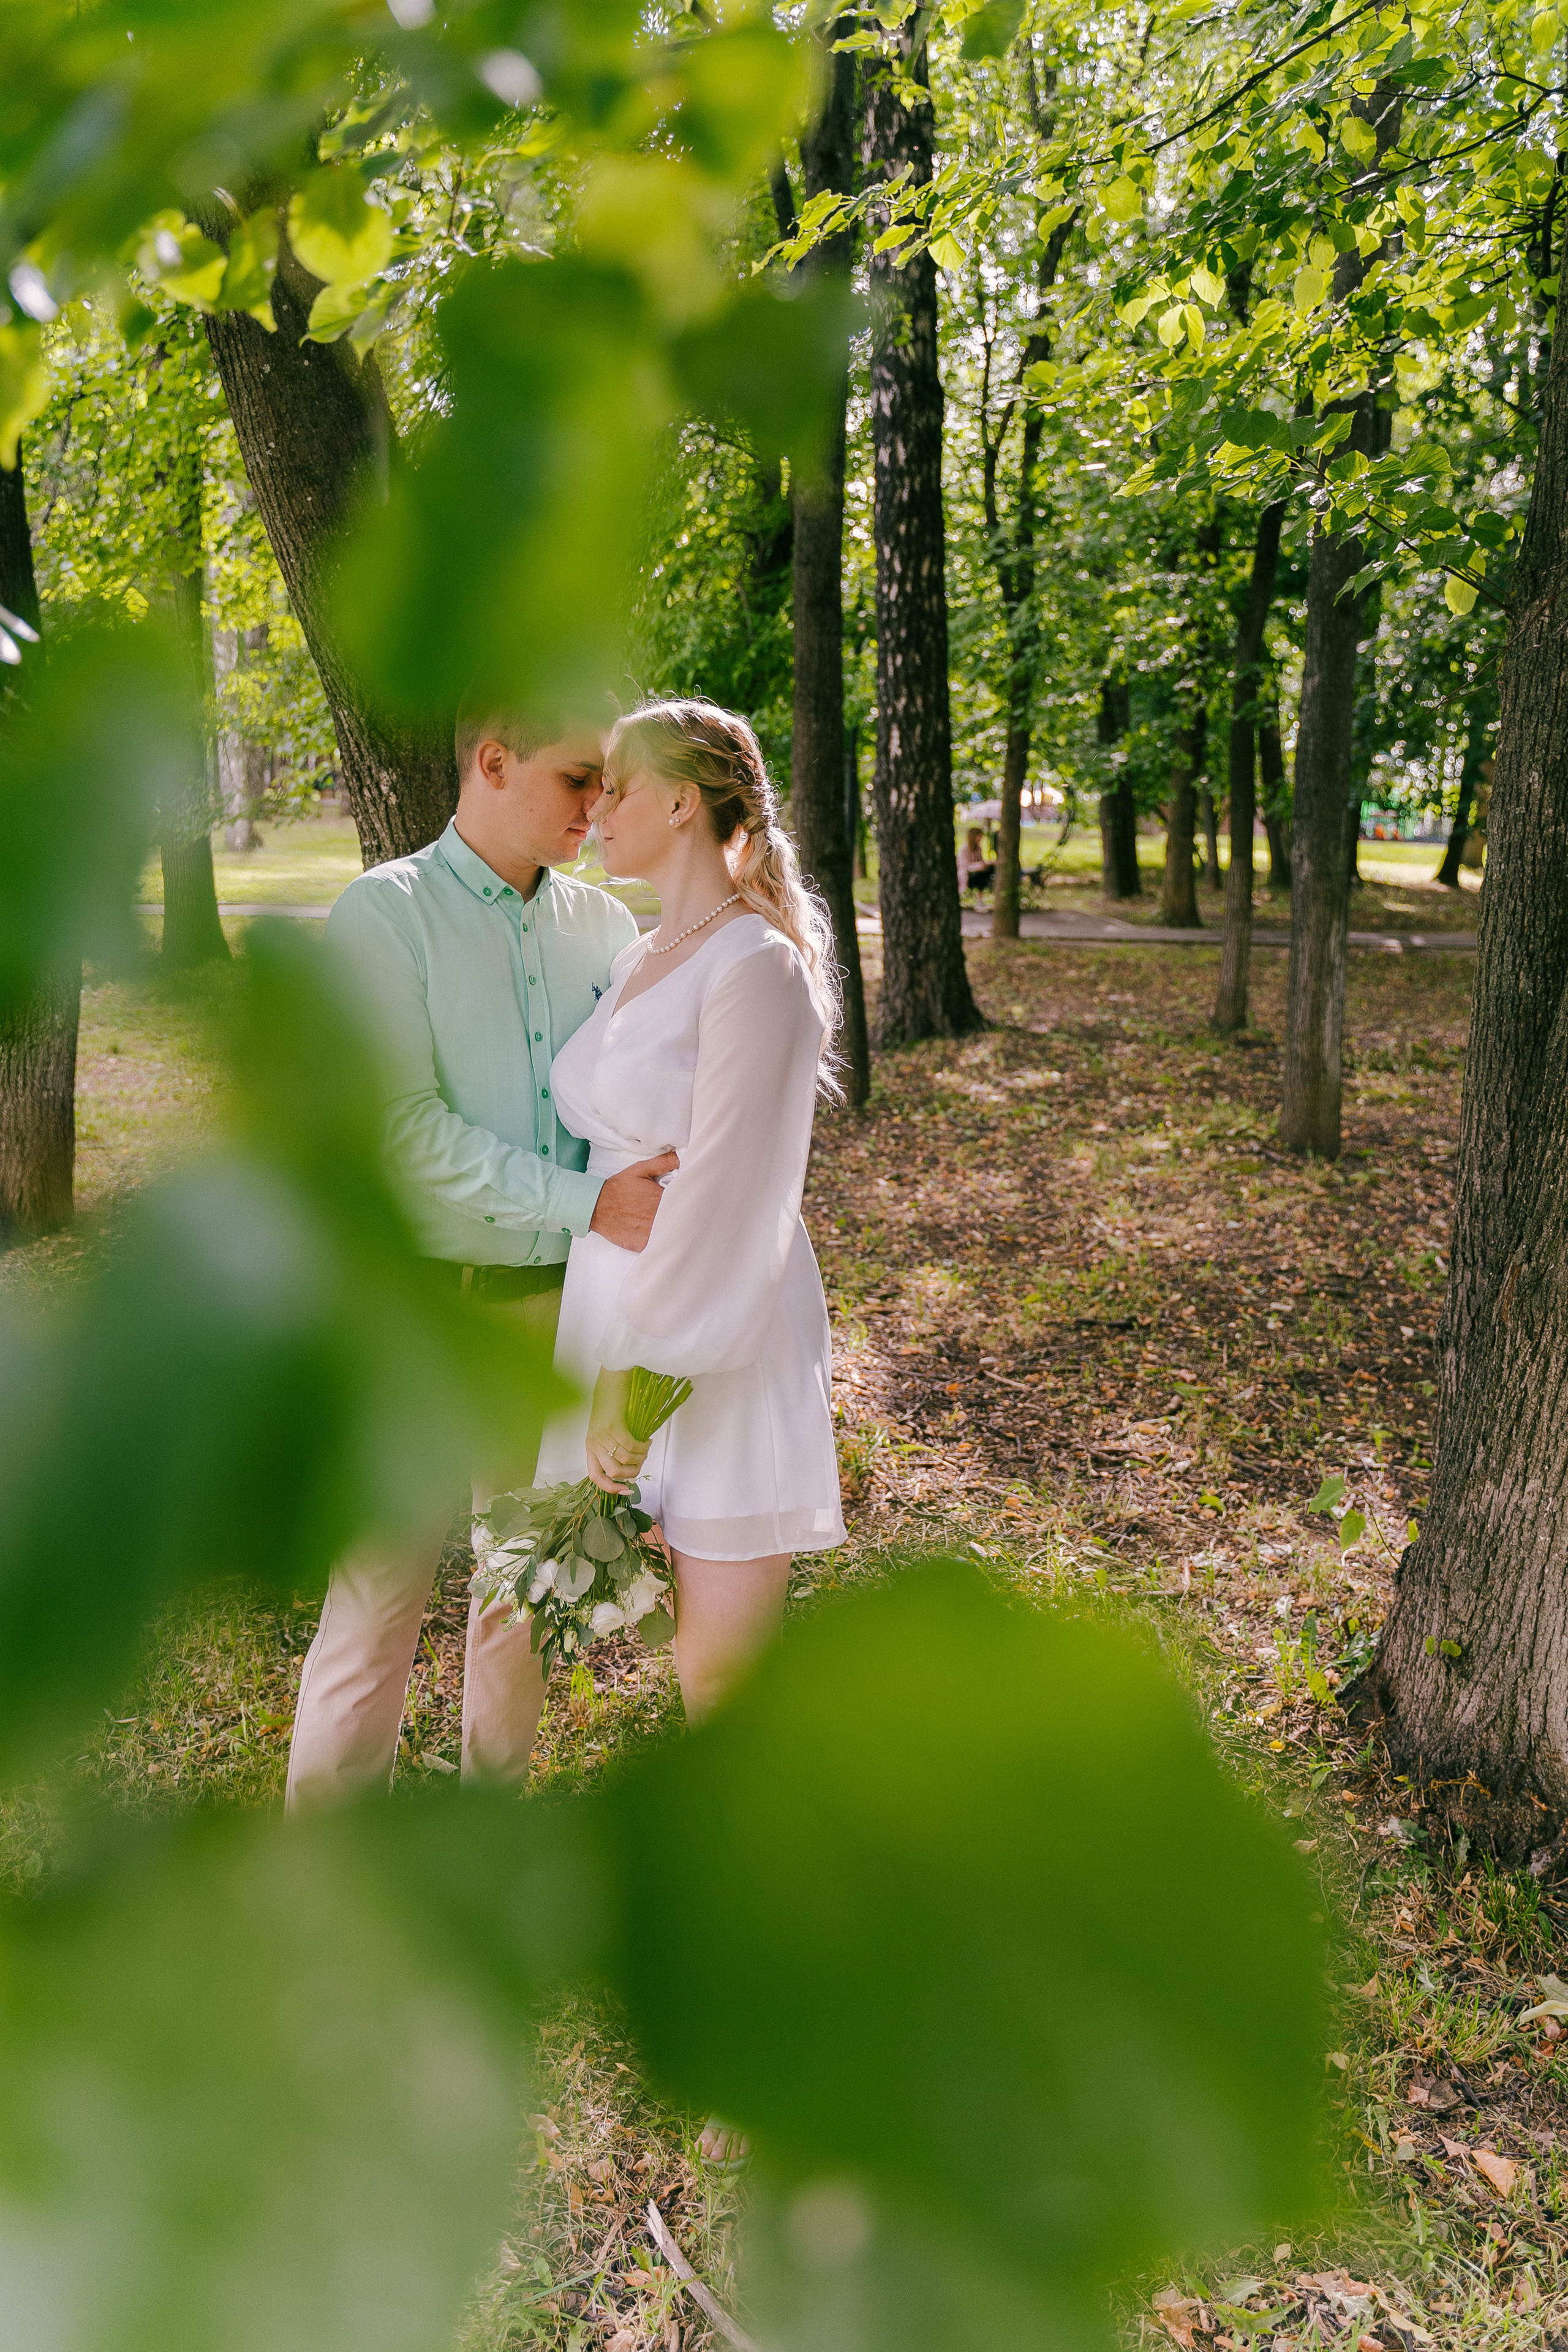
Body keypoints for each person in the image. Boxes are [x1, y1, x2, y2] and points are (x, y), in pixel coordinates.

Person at [286, 699, 675, 1807]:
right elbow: (403, 1132)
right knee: (373, 1610)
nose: (598, 806)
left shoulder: (605, 927)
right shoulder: (384, 913)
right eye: (577, 779)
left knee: (525, 1608)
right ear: (493, 762)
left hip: (567, 1318)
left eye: (607, 783)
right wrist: (586, 1201)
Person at [535, 696, 846, 1731]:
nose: (597, 811)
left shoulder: (758, 967)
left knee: (722, 1675)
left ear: (679, 801)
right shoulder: (637, 958)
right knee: (660, 1647)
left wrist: (635, 1363)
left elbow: (732, 1191)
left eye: (615, 789)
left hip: (707, 1328)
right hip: (615, 1308)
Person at [958, 824, 995, 892]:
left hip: (978, 870)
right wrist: (980, 866)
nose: (981, 838)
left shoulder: (979, 848)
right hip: (967, 873)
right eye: (979, 836)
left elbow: (981, 861)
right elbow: (966, 865)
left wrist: (987, 864)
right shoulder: (964, 849)